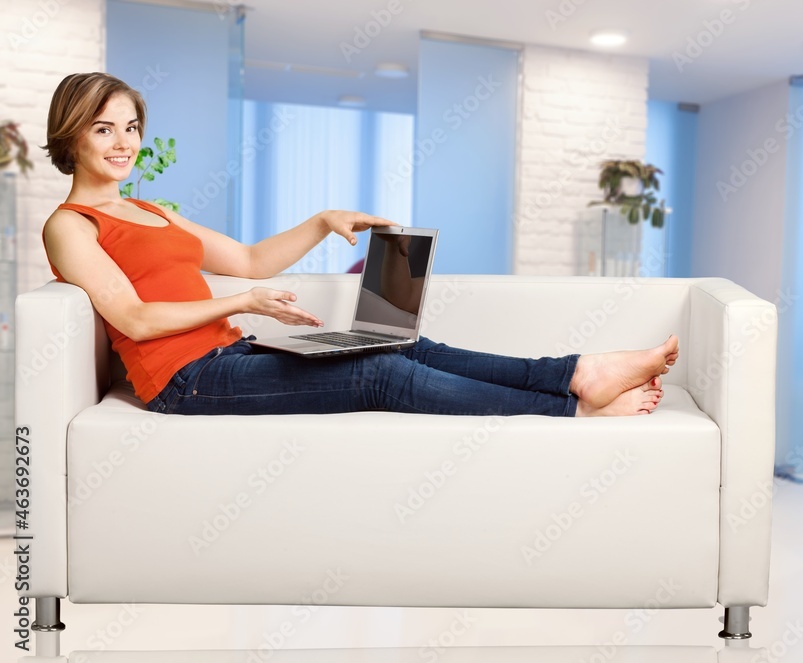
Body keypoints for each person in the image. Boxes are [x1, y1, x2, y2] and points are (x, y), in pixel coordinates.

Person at [41, 72, 679, 418]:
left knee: (397, 342)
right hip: (186, 383)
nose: (124, 143)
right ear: (72, 136)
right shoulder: (71, 225)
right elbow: (134, 318)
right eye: (104, 129)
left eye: (131, 127)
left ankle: (575, 373)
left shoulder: (150, 211)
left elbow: (249, 260)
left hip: (228, 355)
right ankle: (574, 411)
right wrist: (241, 303)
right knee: (379, 374)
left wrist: (322, 221)